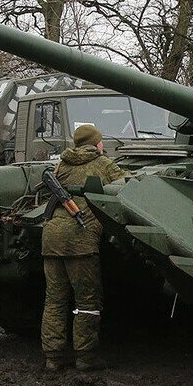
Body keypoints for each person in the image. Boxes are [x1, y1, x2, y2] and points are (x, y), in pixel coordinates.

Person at [41, 124, 125, 372]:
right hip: (80, 239)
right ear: (97, 144)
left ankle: (53, 357)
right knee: (87, 301)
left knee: (55, 300)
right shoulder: (104, 164)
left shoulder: (62, 165)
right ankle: (86, 357)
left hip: (51, 238)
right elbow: (126, 186)